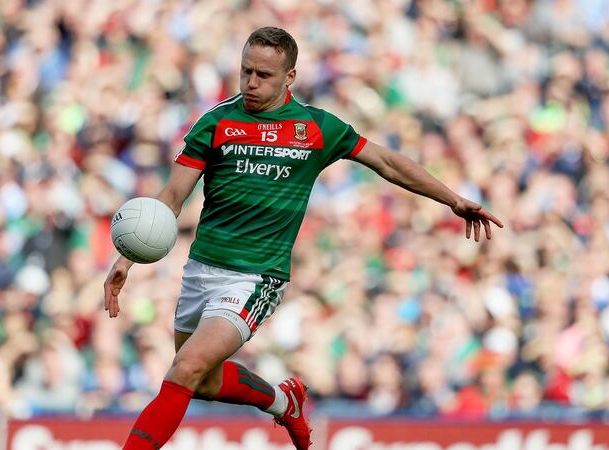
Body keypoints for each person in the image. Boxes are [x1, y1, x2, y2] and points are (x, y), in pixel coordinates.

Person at [103, 27, 503, 450]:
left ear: (289, 77)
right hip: (202, 268)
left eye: (263, 75)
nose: (251, 83)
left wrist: (453, 199)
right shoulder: (217, 122)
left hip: (257, 276)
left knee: (184, 369)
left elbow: (386, 161)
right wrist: (127, 258)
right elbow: (170, 198)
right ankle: (283, 402)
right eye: (245, 71)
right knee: (203, 382)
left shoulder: (315, 128)